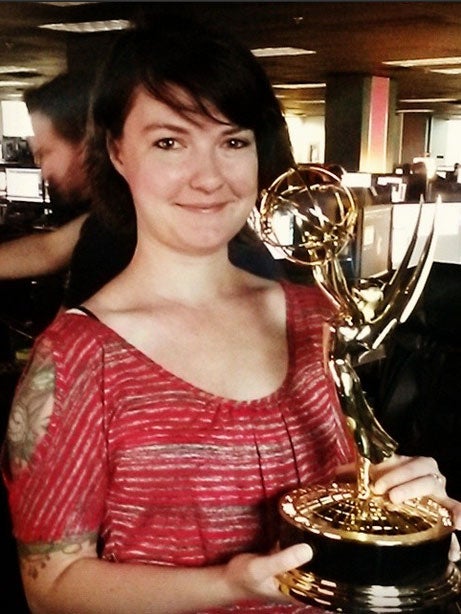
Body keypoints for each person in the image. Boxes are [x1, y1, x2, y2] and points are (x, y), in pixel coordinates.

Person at [2, 18, 460, 614]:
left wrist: (421, 513)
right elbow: (51, 587)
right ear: (117, 151)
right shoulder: (77, 358)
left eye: (233, 141)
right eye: (170, 142)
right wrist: (229, 583)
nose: (210, 176)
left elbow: (354, 492)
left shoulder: (316, 318)